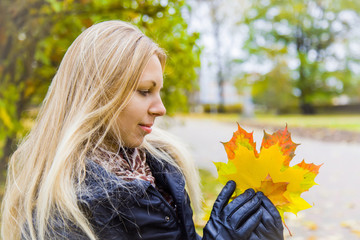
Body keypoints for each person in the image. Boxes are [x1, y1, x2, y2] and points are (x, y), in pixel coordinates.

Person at [1, 20, 284, 240]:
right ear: (98, 93)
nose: (160, 108)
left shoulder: (159, 167)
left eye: (158, 91)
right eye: (145, 91)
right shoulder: (64, 205)